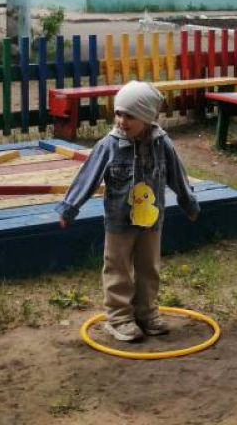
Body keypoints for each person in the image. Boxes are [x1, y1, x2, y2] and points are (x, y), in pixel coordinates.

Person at [56, 80, 200, 342]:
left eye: (130, 115)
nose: (122, 121)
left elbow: (177, 175)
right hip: (119, 221)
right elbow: (87, 177)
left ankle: (146, 313)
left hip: (151, 221)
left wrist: (188, 203)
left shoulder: (162, 143)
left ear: (148, 117)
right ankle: (119, 317)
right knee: (118, 268)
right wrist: (69, 208)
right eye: (119, 113)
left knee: (149, 268)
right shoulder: (109, 145)